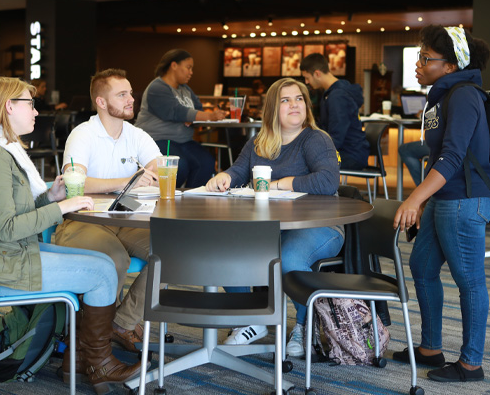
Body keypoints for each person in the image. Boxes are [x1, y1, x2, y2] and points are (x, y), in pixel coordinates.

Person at [0, 76, 141, 392]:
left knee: (101, 264)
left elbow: (9, 216)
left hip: (4, 256)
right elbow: (8, 227)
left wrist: (49, 198)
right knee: (103, 272)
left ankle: (83, 361)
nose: (36, 113)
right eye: (31, 104)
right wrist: (62, 207)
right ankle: (97, 362)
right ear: (9, 106)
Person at [206, 77, 343, 357]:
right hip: (271, 226)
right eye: (285, 100)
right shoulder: (260, 142)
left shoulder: (316, 139)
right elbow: (239, 171)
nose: (294, 104)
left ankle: (304, 325)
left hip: (319, 226)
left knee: (289, 259)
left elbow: (328, 182)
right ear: (272, 108)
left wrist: (280, 183)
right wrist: (224, 177)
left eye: (299, 99)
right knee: (224, 249)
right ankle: (253, 319)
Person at [392, 25, 490, 383]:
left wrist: (414, 198)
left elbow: (451, 157)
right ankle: (431, 349)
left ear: (450, 66)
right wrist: (425, 198)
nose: (418, 64)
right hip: (444, 197)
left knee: (469, 281)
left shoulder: (464, 95)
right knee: (421, 266)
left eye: (425, 58)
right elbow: (439, 158)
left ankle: (471, 364)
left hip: (465, 201)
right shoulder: (441, 96)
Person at [55, 68, 161, 355]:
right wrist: (128, 181)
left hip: (126, 217)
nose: (131, 99)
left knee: (172, 250)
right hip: (83, 220)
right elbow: (75, 181)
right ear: (101, 102)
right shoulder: (83, 134)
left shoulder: (136, 134)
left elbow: (159, 167)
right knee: (114, 259)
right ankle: (92, 347)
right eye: (122, 94)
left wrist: (150, 172)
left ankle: (121, 323)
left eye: (130, 92)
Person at [135, 49, 225, 187]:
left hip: (184, 141)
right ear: (174, 65)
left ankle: (192, 198)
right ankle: (169, 198)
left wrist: (192, 115)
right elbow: (176, 112)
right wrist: (207, 116)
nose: (191, 72)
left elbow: (197, 109)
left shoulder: (185, 89)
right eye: (188, 67)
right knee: (178, 166)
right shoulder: (157, 87)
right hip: (159, 139)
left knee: (206, 162)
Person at [300, 53, 370, 170]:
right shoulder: (332, 93)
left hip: (351, 155)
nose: (306, 82)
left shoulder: (337, 96)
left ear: (317, 73)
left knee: (303, 162)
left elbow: (337, 135)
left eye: (307, 78)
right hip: (350, 151)